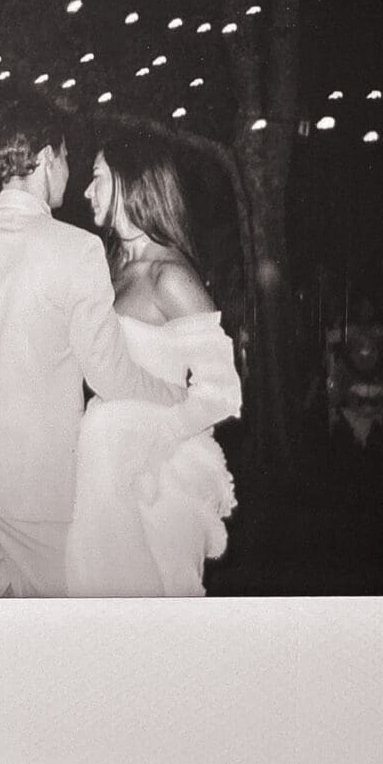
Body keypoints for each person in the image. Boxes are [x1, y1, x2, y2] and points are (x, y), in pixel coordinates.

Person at [0, 98, 187, 598]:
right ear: (44, 157)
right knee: (55, 637)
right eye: (65, 158)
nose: (69, 171)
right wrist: (174, 395)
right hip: (36, 485)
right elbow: (107, 374)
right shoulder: (75, 249)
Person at [65, 131, 242, 596]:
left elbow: (223, 393)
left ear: (131, 182)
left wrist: (150, 444)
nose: (87, 191)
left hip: (154, 479)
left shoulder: (171, 276)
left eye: (98, 178)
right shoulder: (112, 267)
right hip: (102, 467)